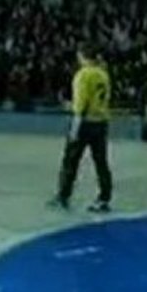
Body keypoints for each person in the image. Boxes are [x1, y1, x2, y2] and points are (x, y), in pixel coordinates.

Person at [50, 43, 113, 213]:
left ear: (82, 56)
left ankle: (63, 195)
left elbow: (81, 104)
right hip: (101, 122)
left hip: (85, 123)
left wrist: (74, 129)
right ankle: (104, 197)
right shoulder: (103, 74)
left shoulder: (83, 75)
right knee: (101, 162)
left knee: (71, 160)